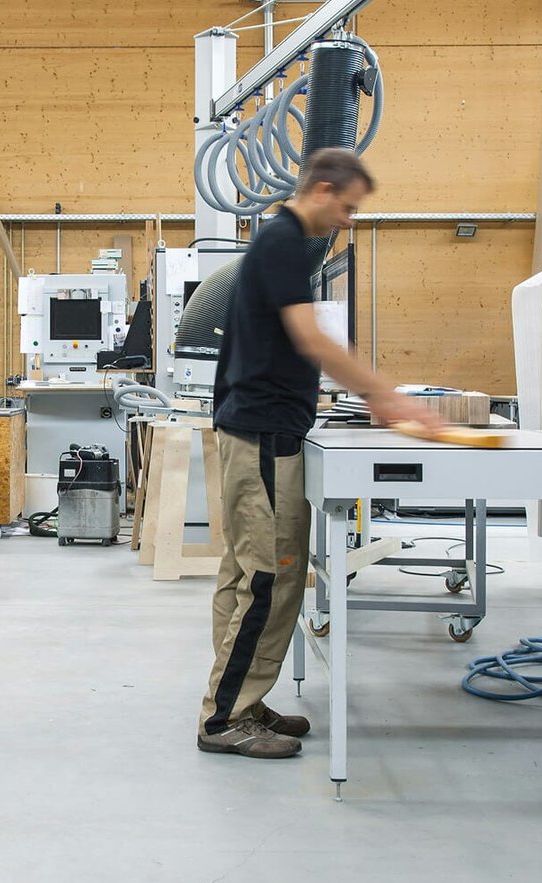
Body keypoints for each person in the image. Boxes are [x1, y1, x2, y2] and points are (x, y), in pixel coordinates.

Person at [197, 149, 442, 758]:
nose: (348, 221)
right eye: (349, 208)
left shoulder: (279, 243)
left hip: (258, 432)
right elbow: (313, 339)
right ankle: (224, 720)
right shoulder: (283, 242)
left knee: (245, 577)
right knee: (269, 578)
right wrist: (388, 397)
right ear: (325, 190)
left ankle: (239, 700)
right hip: (264, 438)